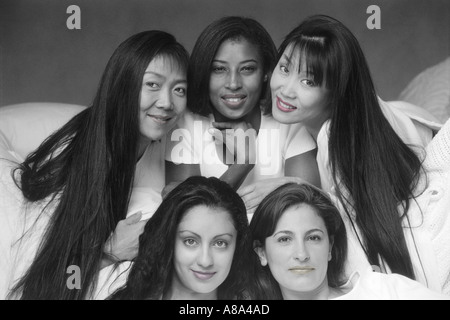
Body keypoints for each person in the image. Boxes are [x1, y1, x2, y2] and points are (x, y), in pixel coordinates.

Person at [0, 30, 189, 299]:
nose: (167, 102)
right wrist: (110, 250)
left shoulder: (157, 142)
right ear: (124, 85)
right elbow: (47, 283)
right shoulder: (93, 154)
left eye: (179, 89)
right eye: (153, 85)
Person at [266, 14, 444, 286]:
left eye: (309, 82)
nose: (286, 90)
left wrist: (299, 189)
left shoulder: (339, 136)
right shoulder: (348, 112)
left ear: (336, 91)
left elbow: (372, 234)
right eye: (285, 68)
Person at [165, 16, 320, 216]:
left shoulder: (288, 121)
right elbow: (185, 215)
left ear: (266, 72)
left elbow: (309, 209)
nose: (233, 83)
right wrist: (244, 163)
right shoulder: (185, 122)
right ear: (204, 72)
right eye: (219, 69)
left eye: (247, 69)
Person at [249, 183, 449, 300]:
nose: (302, 254)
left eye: (313, 238)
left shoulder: (381, 290)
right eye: (284, 239)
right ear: (261, 253)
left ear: (330, 248)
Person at [92, 176, 250, 300]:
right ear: (169, 240)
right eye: (190, 241)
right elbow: (69, 282)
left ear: (237, 245)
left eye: (220, 243)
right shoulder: (116, 280)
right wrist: (106, 257)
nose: (205, 261)